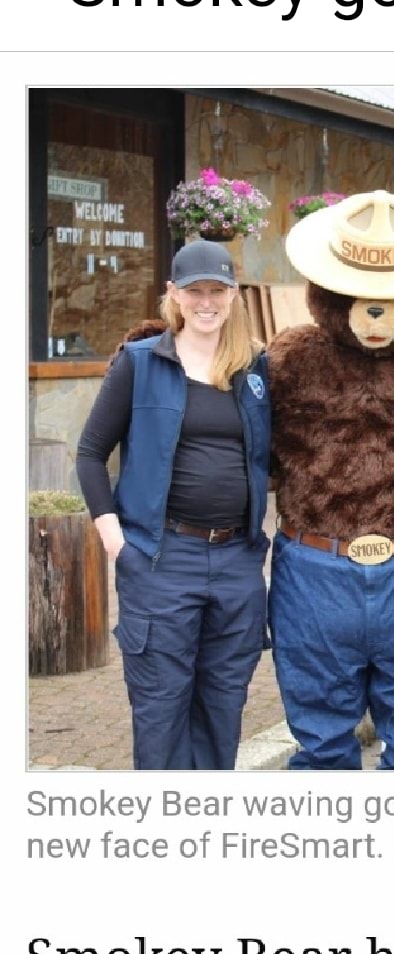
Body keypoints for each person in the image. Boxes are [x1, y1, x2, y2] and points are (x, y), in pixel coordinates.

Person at [76, 240, 271, 769]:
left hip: (235, 562)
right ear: (174, 296)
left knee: (223, 706)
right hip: (162, 558)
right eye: (194, 292)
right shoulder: (141, 363)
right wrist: (118, 543)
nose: (206, 302)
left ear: (233, 295)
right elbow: (92, 453)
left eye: (218, 291)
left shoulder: (255, 370)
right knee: (162, 708)